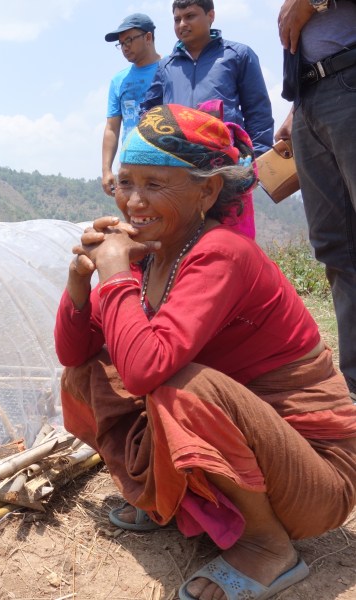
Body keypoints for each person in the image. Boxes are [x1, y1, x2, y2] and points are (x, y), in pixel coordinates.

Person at [55, 104, 356, 600]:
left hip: (314, 477)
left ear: (208, 190)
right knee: (84, 377)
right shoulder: (150, 251)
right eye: (126, 182)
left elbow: (147, 371)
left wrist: (114, 278)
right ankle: (166, 499)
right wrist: (80, 283)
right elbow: (75, 354)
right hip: (257, 448)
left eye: (155, 184)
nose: (134, 201)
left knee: (177, 388)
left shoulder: (221, 252)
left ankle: (268, 548)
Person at [276, 0, 356, 399]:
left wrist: (312, 1)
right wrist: (298, 105)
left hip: (349, 78)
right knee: (335, 248)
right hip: (312, 95)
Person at [140, 0, 273, 238]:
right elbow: (148, 112)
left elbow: (258, 111)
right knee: (180, 235)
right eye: (177, 19)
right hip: (177, 165)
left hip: (226, 164)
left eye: (190, 16)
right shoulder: (165, 67)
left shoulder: (238, 55)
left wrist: (256, 160)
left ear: (211, 15)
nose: (182, 24)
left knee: (229, 233)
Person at [101, 13, 161, 197]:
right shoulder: (119, 80)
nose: (125, 48)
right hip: (130, 163)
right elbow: (112, 127)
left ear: (148, 37)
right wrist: (106, 170)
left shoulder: (170, 70)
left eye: (129, 40)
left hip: (164, 163)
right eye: (121, 44)